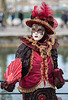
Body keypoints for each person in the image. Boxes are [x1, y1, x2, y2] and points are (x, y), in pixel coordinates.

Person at [1, 2, 65, 100]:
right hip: (30, 91)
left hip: (49, 91)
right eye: (33, 30)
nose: (35, 33)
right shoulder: (25, 47)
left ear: (45, 32)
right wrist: (10, 82)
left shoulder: (51, 47)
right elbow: (18, 68)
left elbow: (54, 67)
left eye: (39, 30)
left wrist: (58, 76)